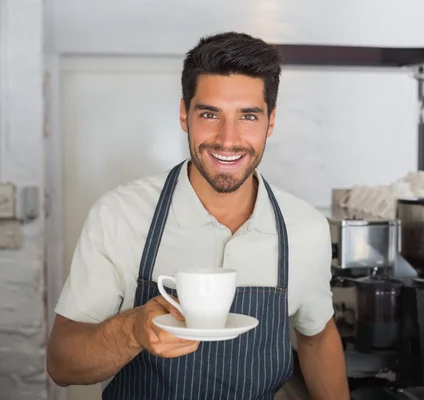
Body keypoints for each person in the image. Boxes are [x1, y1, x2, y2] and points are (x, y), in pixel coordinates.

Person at [47, 31, 349, 399]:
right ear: (183, 114)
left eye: (248, 116)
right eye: (210, 114)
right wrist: (132, 331)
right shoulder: (119, 215)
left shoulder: (306, 228)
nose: (227, 139)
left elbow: (317, 338)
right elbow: (62, 364)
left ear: (270, 122)